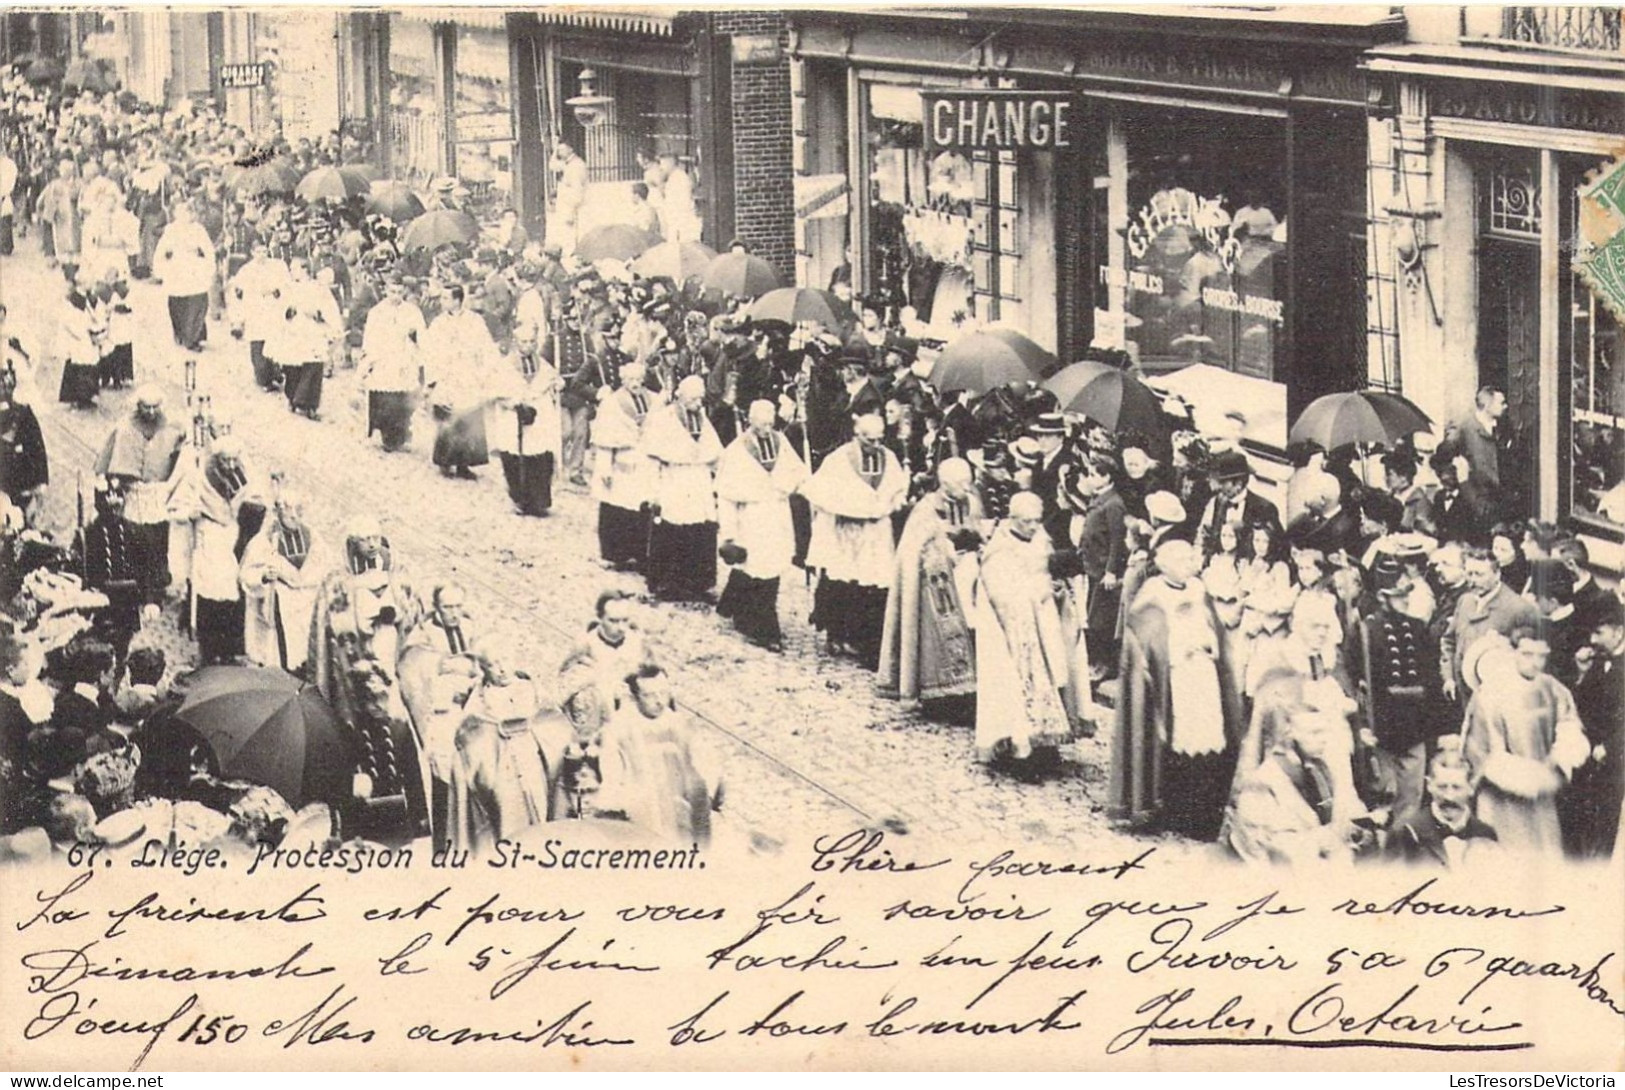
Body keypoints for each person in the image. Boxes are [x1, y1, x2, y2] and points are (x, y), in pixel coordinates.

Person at [1111, 538, 1243, 838]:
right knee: (1180, 739)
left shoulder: (1197, 588)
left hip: (1205, 674)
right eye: (1183, 560)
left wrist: (1210, 644)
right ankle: (1175, 811)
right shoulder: (1152, 595)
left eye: (1191, 559)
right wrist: (1179, 647)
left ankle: (1204, 813)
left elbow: (1214, 628)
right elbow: (1144, 638)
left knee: (1210, 736)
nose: (1190, 565)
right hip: (1174, 680)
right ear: (1165, 564)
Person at [972, 491, 1076, 777]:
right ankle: (1021, 752)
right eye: (1027, 522)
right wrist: (1037, 592)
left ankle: (1045, 745)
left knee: (1049, 685)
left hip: (1043, 625)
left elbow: (1046, 570)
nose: (1033, 526)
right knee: (1019, 692)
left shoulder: (1040, 538)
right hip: (1015, 635)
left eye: (1036, 521)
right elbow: (1001, 595)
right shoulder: (1000, 550)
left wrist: (1055, 589)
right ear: (1013, 519)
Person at [1461, 627, 1589, 856]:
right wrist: (1531, 778)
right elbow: (1483, 753)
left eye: (1541, 656)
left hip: (1544, 798)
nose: (1535, 663)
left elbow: (1570, 724)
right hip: (1502, 800)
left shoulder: (1553, 688)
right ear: (1514, 653)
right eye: (1527, 654)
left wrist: (1563, 756)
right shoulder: (1488, 696)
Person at [1224, 671, 1369, 866]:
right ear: (1290, 734)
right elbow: (1268, 846)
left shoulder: (1324, 768)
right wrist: (1319, 840)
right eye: (1314, 733)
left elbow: (1350, 807)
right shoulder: (1266, 781)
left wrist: (1359, 825)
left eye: (1324, 731)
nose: (1323, 739)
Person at [442, 638, 571, 854]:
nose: (501, 669)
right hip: (500, 771)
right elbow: (471, 736)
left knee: (543, 813)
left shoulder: (531, 689)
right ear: (483, 668)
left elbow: (552, 722)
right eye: (493, 664)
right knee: (508, 821)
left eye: (505, 660)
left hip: (533, 763)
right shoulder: (479, 700)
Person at [803, 412, 909, 668]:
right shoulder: (839, 459)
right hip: (848, 532)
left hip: (876, 532)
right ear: (857, 435)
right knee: (843, 582)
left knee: (875, 584)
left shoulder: (889, 457)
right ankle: (837, 633)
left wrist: (895, 501)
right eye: (869, 440)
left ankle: (867, 641)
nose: (875, 445)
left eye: (879, 439)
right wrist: (842, 507)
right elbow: (817, 491)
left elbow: (898, 488)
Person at [878, 457, 982, 707]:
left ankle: (970, 690)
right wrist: (946, 550)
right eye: (962, 484)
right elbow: (914, 551)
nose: (968, 489)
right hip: (934, 589)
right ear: (945, 484)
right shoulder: (925, 509)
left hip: (968, 582)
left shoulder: (971, 501)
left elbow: (977, 530)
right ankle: (938, 696)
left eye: (969, 483)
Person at [1347, 562, 1443, 825]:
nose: (1406, 600)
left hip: (1414, 728)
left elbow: (1431, 678)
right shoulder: (1365, 632)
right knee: (1383, 801)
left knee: (1412, 799)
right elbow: (1355, 681)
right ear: (1382, 598)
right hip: (1383, 730)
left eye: (1406, 594)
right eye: (1400, 595)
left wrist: (1434, 725)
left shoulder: (1418, 628)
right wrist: (1364, 726)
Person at [715, 400, 809, 651]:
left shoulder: (781, 442)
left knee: (769, 567)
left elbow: (797, 471)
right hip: (751, 517)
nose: (768, 428)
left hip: (777, 513)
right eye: (762, 423)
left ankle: (736, 608)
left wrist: (799, 484)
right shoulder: (737, 450)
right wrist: (729, 534)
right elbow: (726, 495)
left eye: (771, 423)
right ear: (751, 421)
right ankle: (765, 629)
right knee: (759, 569)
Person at [594, 665, 723, 842]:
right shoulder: (619, 727)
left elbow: (705, 760)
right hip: (640, 807)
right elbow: (612, 772)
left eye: (663, 693)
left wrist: (705, 791)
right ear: (635, 697)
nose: (659, 701)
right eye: (650, 695)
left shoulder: (678, 723)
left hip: (683, 807)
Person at [557, 590, 658, 814]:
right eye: (613, 621)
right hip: (596, 717)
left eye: (625, 621)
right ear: (600, 618)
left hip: (628, 715)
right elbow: (565, 679)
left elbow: (653, 677)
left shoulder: (636, 642)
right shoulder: (585, 643)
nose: (620, 627)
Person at [94, 386, 185, 604]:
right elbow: (110, 463)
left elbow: (180, 456)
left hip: (158, 493)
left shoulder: (172, 428)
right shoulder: (125, 428)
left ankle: (158, 584)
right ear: (138, 406)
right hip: (133, 494)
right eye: (146, 407)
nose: (151, 412)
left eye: (155, 407)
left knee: (159, 539)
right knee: (136, 541)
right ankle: (139, 586)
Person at [641, 375, 723, 601]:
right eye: (694, 399)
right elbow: (652, 456)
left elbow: (714, 451)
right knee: (672, 529)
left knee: (700, 531)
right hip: (674, 479)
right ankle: (667, 583)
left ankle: (697, 583)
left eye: (701, 399)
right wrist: (652, 490)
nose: (698, 404)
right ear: (682, 396)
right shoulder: (664, 419)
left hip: (699, 481)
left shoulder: (702, 420)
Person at [240, 489, 331, 676]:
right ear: (279, 512)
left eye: (298, 509)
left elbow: (326, 565)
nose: (294, 515)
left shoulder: (312, 537)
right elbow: (247, 574)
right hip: (279, 608)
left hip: (307, 606)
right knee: (278, 657)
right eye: (288, 509)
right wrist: (264, 575)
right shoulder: (264, 541)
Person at [1562, 599, 1624, 859]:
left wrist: (1609, 747)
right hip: (1587, 754)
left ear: (1619, 631)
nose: (1592, 639)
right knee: (1577, 815)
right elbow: (1581, 704)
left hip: (1613, 761)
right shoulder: (1598, 660)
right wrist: (1582, 673)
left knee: (1605, 821)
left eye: (1599, 633)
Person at [1440, 547, 1541, 705]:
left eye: (1479, 574)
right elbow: (1449, 641)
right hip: (1461, 698)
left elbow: (1528, 665)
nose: (1472, 581)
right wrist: (1449, 678)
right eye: (1469, 573)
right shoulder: (1465, 601)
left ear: (1497, 574)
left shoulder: (1518, 609)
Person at [1384, 745, 1501, 867]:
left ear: (1471, 788)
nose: (1449, 797)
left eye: (1457, 787)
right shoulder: (1406, 832)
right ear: (1429, 785)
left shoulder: (1485, 833)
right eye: (1442, 787)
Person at [424, 285, 497, 480]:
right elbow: (430, 350)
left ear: (457, 300)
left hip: (468, 376)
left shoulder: (475, 321)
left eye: (446, 298)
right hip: (447, 375)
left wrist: (485, 373)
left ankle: (465, 463)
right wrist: (433, 378)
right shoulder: (438, 323)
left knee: (468, 417)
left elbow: (486, 348)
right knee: (447, 416)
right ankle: (445, 461)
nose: (442, 302)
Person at [592, 359, 656, 570]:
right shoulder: (611, 404)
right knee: (616, 511)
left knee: (641, 511)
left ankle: (639, 554)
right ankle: (613, 554)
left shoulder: (653, 401)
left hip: (644, 464)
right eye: (631, 379)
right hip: (621, 463)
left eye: (639, 379)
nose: (635, 383)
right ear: (623, 380)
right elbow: (604, 439)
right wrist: (604, 468)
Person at [359, 275, 424, 452]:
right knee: (384, 398)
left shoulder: (412, 312)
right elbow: (370, 337)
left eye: (399, 292)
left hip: (403, 356)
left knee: (401, 398)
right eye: (392, 292)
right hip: (383, 357)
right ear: (385, 291)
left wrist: (414, 337)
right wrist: (369, 358)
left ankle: (399, 435)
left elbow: (422, 336)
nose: (395, 296)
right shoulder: (377, 312)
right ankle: (385, 434)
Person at [271, 258, 341, 420]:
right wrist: (288, 312)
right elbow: (280, 308)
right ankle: (293, 398)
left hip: (312, 332)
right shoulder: (289, 288)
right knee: (292, 367)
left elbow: (330, 309)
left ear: (304, 270)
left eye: (294, 268)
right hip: (294, 331)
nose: (291, 272)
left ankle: (310, 404)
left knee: (313, 366)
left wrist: (317, 314)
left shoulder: (318, 288)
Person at [229, 238, 293, 391]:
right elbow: (237, 289)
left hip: (273, 310)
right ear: (252, 253)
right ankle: (264, 379)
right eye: (258, 252)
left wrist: (276, 291)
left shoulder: (277, 266)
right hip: (255, 311)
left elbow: (286, 285)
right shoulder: (246, 270)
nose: (262, 255)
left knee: (274, 342)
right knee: (258, 345)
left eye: (264, 251)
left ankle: (275, 372)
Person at [153, 202, 216, 352]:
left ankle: (192, 337)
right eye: (180, 212)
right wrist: (160, 267)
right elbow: (161, 250)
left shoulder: (198, 230)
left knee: (198, 302)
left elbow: (208, 249)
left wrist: (209, 266)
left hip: (195, 268)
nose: (184, 216)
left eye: (187, 212)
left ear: (192, 214)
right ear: (175, 214)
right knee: (177, 303)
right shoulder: (171, 230)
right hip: (177, 269)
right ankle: (181, 333)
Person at [1197, 449, 1281, 561]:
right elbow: (1209, 538)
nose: (1218, 487)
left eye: (1223, 482)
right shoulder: (1218, 502)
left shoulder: (1264, 508)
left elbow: (1278, 548)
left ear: (1238, 484)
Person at [549, 142, 588, 251]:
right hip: (566, 205)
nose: (559, 153)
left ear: (570, 149)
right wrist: (555, 150)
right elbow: (552, 166)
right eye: (559, 150)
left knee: (571, 236)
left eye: (562, 149)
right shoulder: (567, 163)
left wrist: (571, 210)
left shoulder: (577, 165)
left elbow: (577, 189)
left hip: (573, 206)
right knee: (565, 235)